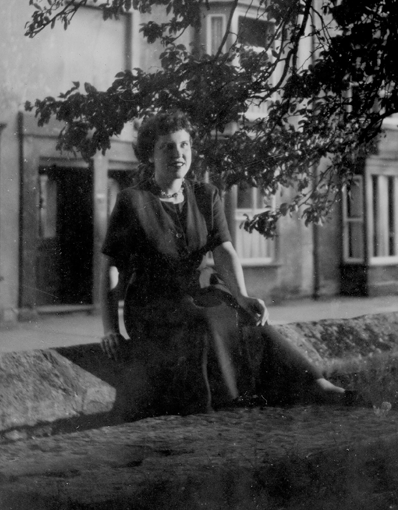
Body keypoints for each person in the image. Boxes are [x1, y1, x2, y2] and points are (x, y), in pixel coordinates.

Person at [100, 110, 364, 419]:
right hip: (153, 305)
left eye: (184, 145)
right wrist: (110, 328)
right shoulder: (133, 201)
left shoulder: (205, 195)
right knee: (205, 321)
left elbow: (224, 250)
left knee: (249, 318)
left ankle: (319, 385)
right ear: (150, 154)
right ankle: (228, 405)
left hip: (201, 293)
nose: (178, 154)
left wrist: (242, 295)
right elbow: (111, 267)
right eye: (167, 147)